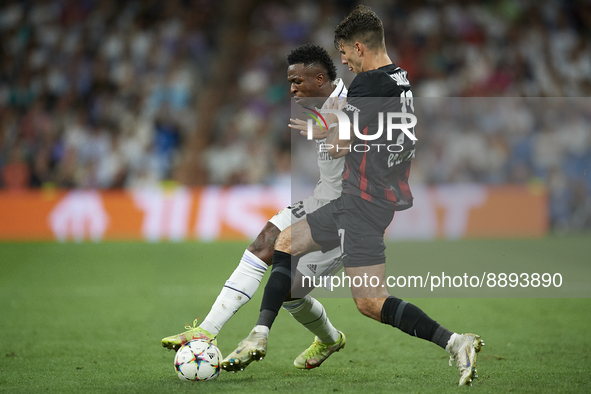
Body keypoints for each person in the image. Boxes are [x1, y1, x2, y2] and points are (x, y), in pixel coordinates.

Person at [224, 5, 484, 387]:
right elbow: (392, 136)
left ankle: (454, 341)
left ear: (360, 47)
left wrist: (322, 134)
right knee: (285, 242)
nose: (343, 63)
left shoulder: (368, 85)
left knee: (370, 302)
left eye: (344, 54)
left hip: (361, 204)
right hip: (369, 200)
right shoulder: (401, 81)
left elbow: (344, 139)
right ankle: (260, 334)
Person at [162, 44, 347, 371]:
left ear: (320, 78)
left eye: (297, 82)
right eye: (289, 82)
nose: (292, 89)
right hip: (322, 200)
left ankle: (328, 339)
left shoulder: (352, 105)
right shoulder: (323, 106)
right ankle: (205, 332)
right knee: (264, 243)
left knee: (290, 294)